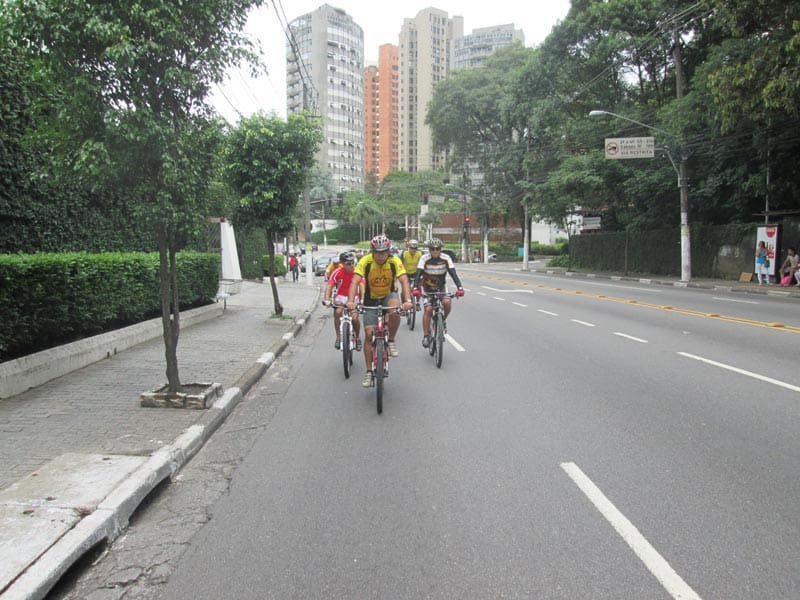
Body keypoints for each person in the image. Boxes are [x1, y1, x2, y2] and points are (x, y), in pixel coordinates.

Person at [346, 234, 413, 388]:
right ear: (372, 252)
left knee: (395, 310)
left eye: (383, 252)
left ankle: (391, 341)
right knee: (369, 336)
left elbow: (404, 281)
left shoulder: (394, 261)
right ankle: (369, 372)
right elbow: (355, 281)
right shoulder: (365, 261)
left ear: (388, 251)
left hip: (388, 295)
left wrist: (408, 301)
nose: (380, 255)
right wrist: (350, 301)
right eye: (377, 252)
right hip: (370, 299)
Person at [411, 238, 464, 348]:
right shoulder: (424, 258)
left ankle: (442, 321)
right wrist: (415, 287)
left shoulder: (446, 258)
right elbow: (418, 273)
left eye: (437, 249)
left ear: (441, 249)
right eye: (432, 249)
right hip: (427, 288)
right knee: (428, 309)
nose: (435, 251)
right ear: (429, 250)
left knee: (447, 303)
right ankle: (426, 336)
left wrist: (460, 287)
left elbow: (453, 274)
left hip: (441, 287)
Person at [322, 252, 361, 351]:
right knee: (338, 312)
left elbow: (362, 286)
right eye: (348, 264)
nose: (351, 266)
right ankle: (338, 337)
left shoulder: (357, 272)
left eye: (352, 263)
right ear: (342, 264)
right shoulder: (337, 272)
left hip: (354, 297)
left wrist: (362, 300)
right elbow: (329, 286)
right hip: (341, 297)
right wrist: (327, 300)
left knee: (355, 318)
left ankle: (358, 337)